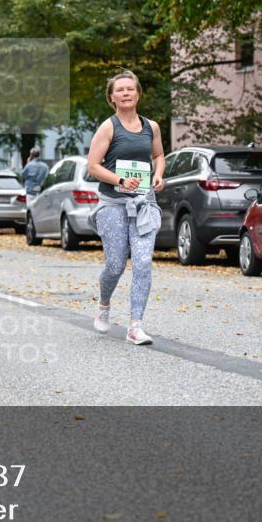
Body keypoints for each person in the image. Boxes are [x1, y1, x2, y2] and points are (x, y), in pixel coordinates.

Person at [86, 71, 166, 345]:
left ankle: (135, 325)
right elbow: (93, 166)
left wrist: (158, 175)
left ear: (138, 93)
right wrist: (120, 180)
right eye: (119, 90)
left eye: (130, 89)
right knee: (116, 264)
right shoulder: (108, 127)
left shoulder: (151, 127)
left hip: (144, 203)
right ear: (112, 97)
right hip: (113, 204)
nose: (125, 93)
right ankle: (105, 303)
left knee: (143, 263)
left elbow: (158, 155)